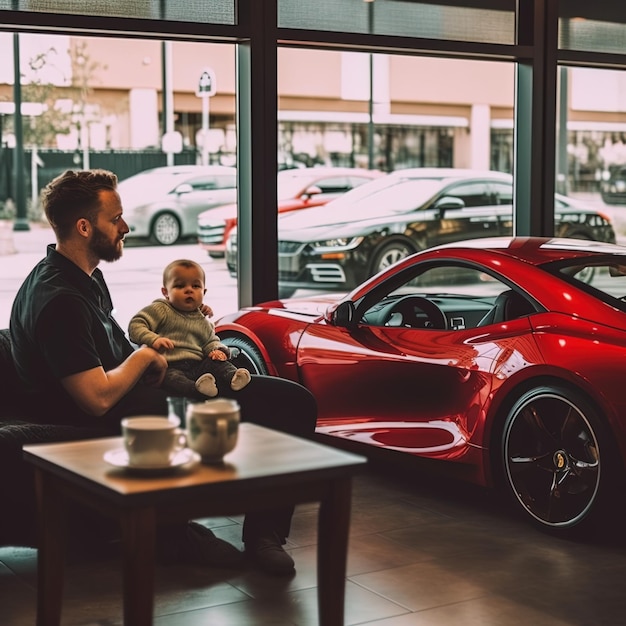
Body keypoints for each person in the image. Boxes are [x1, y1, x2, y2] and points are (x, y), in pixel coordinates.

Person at [8, 168, 317, 576]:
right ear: (84, 227)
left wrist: (162, 349)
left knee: (286, 399)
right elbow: (95, 399)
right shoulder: (60, 299)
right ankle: (182, 536)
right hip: (103, 422)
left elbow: (113, 350)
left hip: (138, 397)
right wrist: (144, 357)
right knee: (286, 406)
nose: (125, 225)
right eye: (114, 217)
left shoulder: (81, 278)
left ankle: (260, 535)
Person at [128, 259, 251, 400]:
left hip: (198, 364)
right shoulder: (161, 309)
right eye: (180, 286)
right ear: (165, 292)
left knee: (217, 364)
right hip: (170, 365)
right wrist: (153, 339)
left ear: (203, 292)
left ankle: (234, 377)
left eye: (195, 286)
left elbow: (210, 341)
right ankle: (197, 389)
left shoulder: (202, 319)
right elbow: (135, 325)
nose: (189, 290)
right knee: (172, 379)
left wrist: (217, 350)